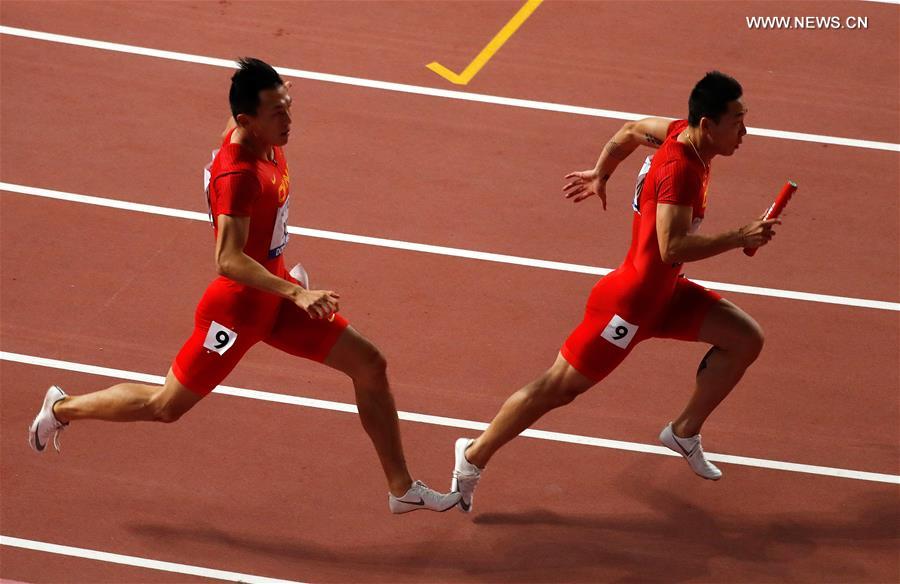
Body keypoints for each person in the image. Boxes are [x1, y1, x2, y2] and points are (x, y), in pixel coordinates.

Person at [28, 57, 460, 515]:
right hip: (235, 311)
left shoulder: (258, 135)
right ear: (246, 121)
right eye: (277, 113)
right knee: (165, 406)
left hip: (272, 295)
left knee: (370, 365)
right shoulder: (238, 176)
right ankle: (62, 408)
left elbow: (244, 107)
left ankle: (401, 488)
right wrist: (297, 292)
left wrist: (271, 90)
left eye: (288, 107)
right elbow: (227, 259)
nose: (288, 121)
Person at [450, 71, 779, 512]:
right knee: (557, 389)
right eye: (737, 120)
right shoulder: (680, 170)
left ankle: (683, 431)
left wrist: (600, 173)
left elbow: (627, 131)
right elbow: (672, 245)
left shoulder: (683, 135)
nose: (745, 131)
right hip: (628, 307)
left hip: (665, 295)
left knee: (745, 338)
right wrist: (741, 236)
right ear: (708, 123)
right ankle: (472, 458)